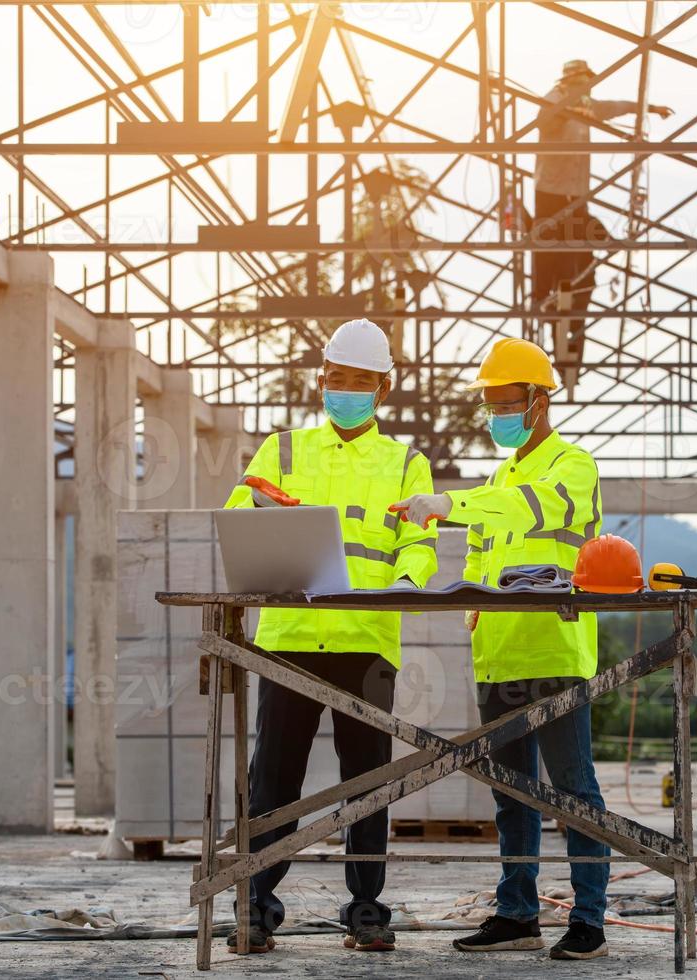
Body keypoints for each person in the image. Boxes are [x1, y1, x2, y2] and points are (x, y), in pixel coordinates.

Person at [221, 318, 438, 955]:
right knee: (273, 781)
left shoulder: (406, 463)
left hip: (367, 642)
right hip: (290, 637)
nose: (347, 390)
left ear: (384, 389)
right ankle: (257, 903)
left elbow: (420, 544)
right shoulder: (281, 451)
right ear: (321, 380)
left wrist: (405, 580)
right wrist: (259, 512)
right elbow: (237, 517)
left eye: (361, 381)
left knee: (368, 780)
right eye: (338, 379)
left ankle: (367, 909)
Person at [391, 337, 611, 961]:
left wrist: (448, 503)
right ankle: (517, 913)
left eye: (503, 402)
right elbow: (488, 556)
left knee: (572, 790)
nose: (494, 415)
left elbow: (523, 511)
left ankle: (589, 918)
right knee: (510, 792)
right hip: (498, 654)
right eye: (488, 403)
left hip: (555, 651)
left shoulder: (572, 465)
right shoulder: (500, 474)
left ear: (539, 402)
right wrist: (473, 603)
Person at [533, 59, 673, 361]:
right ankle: (543, 300)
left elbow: (618, 105)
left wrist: (652, 108)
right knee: (547, 247)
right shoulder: (553, 99)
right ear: (572, 81)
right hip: (551, 190)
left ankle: (572, 315)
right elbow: (546, 122)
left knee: (580, 255)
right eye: (585, 81)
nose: (590, 87)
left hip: (575, 193)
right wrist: (568, 112)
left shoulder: (588, 104)